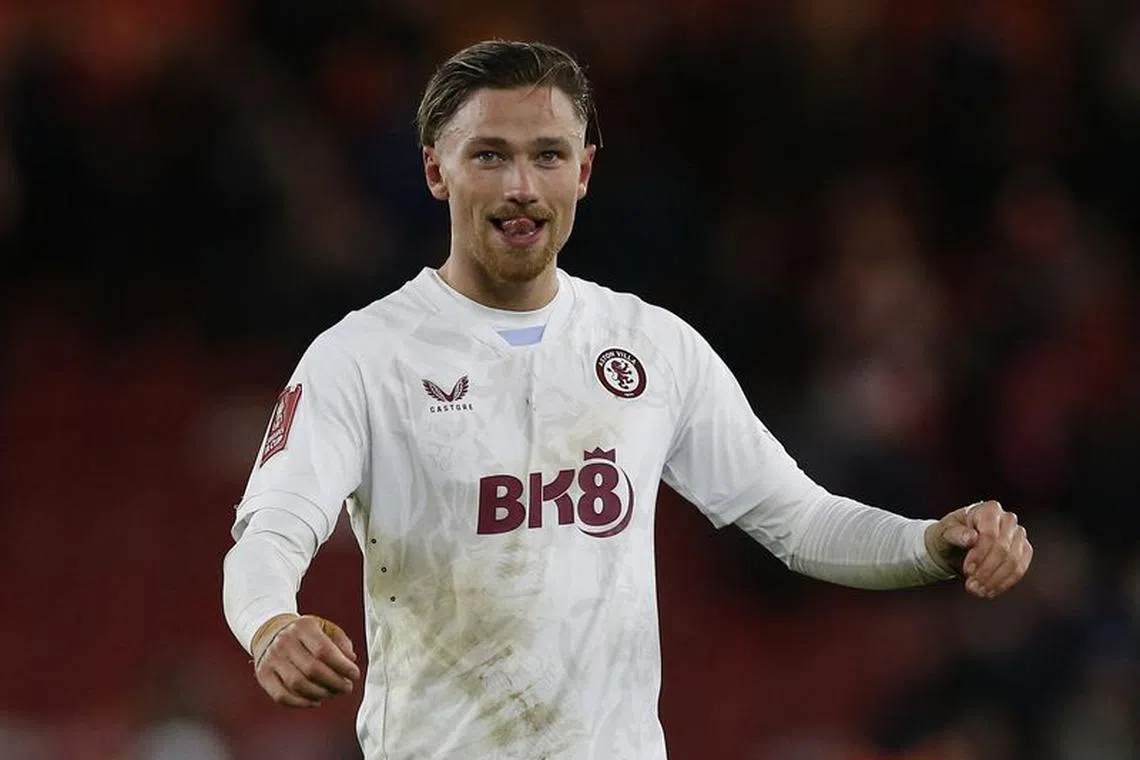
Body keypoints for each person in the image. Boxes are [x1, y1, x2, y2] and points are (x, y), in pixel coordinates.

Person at [222, 39, 1033, 760]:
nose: (521, 186)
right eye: (489, 156)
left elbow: (800, 521)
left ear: (583, 170)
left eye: (547, 155)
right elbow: (271, 533)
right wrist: (271, 626)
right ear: (437, 169)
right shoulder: (362, 357)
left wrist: (933, 541)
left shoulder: (652, 346)